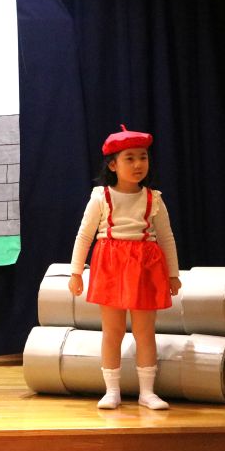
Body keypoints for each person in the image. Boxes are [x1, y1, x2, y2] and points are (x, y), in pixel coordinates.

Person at [68, 125, 180, 410]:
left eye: (143, 157)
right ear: (113, 164)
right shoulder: (101, 197)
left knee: (145, 332)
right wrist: (76, 272)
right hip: (111, 266)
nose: (138, 164)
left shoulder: (153, 198)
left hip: (145, 268)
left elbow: (166, 237)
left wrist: (173, 274)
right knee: (113, 330)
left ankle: (147, 392)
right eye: (129, 158)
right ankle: (112, 391)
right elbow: (84, 235)